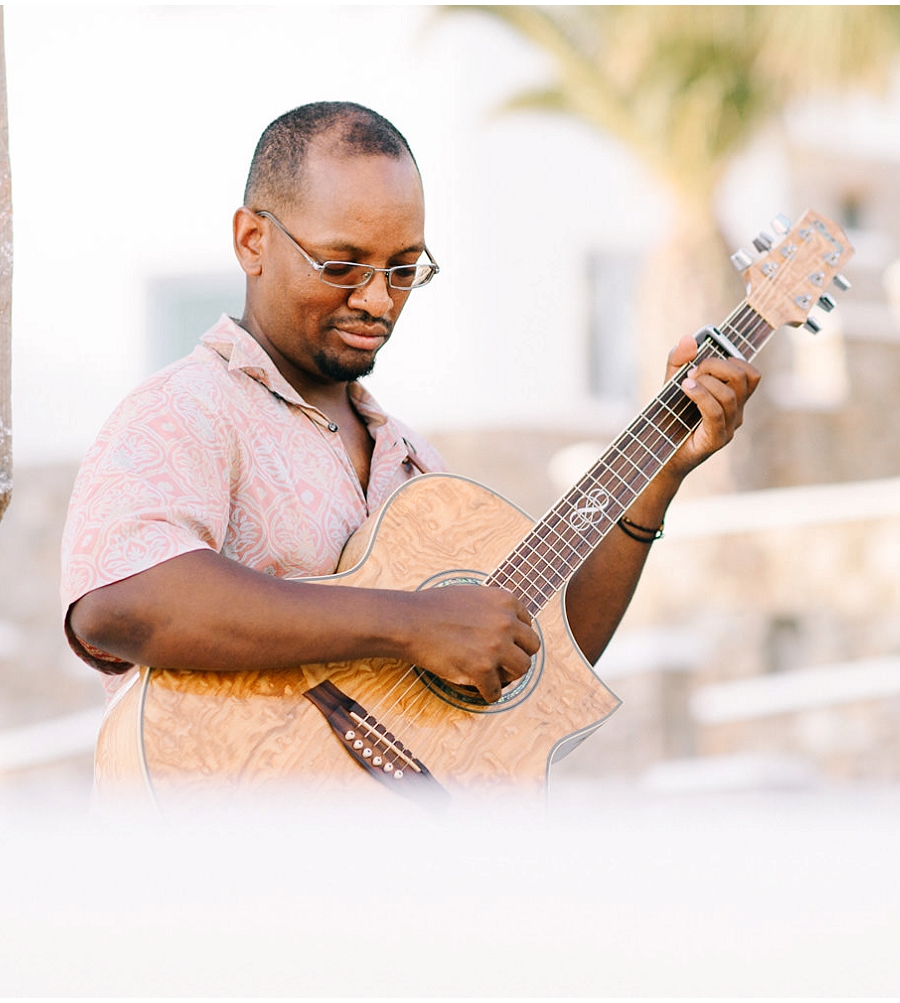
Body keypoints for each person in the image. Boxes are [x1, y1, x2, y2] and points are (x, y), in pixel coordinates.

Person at [60, 101, 759, 714]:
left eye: (403, 268)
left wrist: (659, 474)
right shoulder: (184, 411)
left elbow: (533, 661)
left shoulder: (416, 465)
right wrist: (407, 621)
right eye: (342, 265)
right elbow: (123, 599)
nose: (377, 299)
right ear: (252, 241)